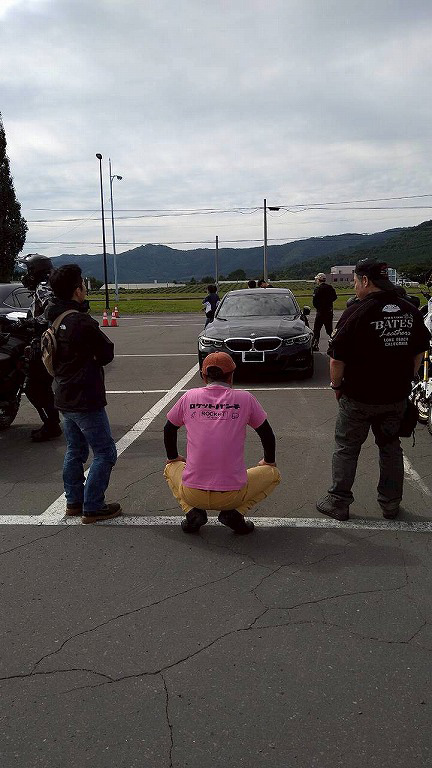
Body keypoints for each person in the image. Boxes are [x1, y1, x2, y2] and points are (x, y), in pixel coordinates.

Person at [316, 258, 430, 521]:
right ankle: (390, 504)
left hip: (358, 396)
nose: (354, 286)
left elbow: (336, 359)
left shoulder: (356, 312)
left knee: (347, 448)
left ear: (365, 281)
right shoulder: (409, 309)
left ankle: (339, 501)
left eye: (355, 281)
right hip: (395, 396)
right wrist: (406, 379)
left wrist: (337, 386)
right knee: (390, 448)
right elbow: (419, 350)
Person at [163, 351, 281, 534]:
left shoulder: (189, 397)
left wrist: (173, 457)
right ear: (231, 375)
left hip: (192, 493)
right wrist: (268, 461)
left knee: (170, 467)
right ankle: (235, 513)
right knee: (273, 474)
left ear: (203, 376)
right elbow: (266, 434)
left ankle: (191, 511)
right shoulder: (245, 399)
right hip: (232, 495)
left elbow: (169, 428)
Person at [47, 264, 121, 524]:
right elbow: (106, 353)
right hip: (86, 397)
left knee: (75, 450)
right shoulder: (80, 321)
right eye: (82, 284)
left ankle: (74, 501)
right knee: (105, 452)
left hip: (64, 395)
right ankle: (93, 506)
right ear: (77, 289)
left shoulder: (54, 317)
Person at [20, 253, 62, 442]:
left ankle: (52, 424)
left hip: (44, 342)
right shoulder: (48, 283)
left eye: (27, 270)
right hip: (47, 340)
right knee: (41, 385)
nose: (25, 275)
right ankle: (53, 422)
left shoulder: (44, 286)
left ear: (34, 271)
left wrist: (31, 323)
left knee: (34, 386)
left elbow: (51, 310)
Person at [312, 272, 337, 351]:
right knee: (329, 330)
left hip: (320, 312)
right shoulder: (330, 287)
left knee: (316, 330)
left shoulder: (317, 289)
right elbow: (335, 297)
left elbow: (314, 302)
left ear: (318, 280)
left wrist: (319, 307)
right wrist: (328, 303)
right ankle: (336, 342)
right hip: (329, 312)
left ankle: (315, 344)